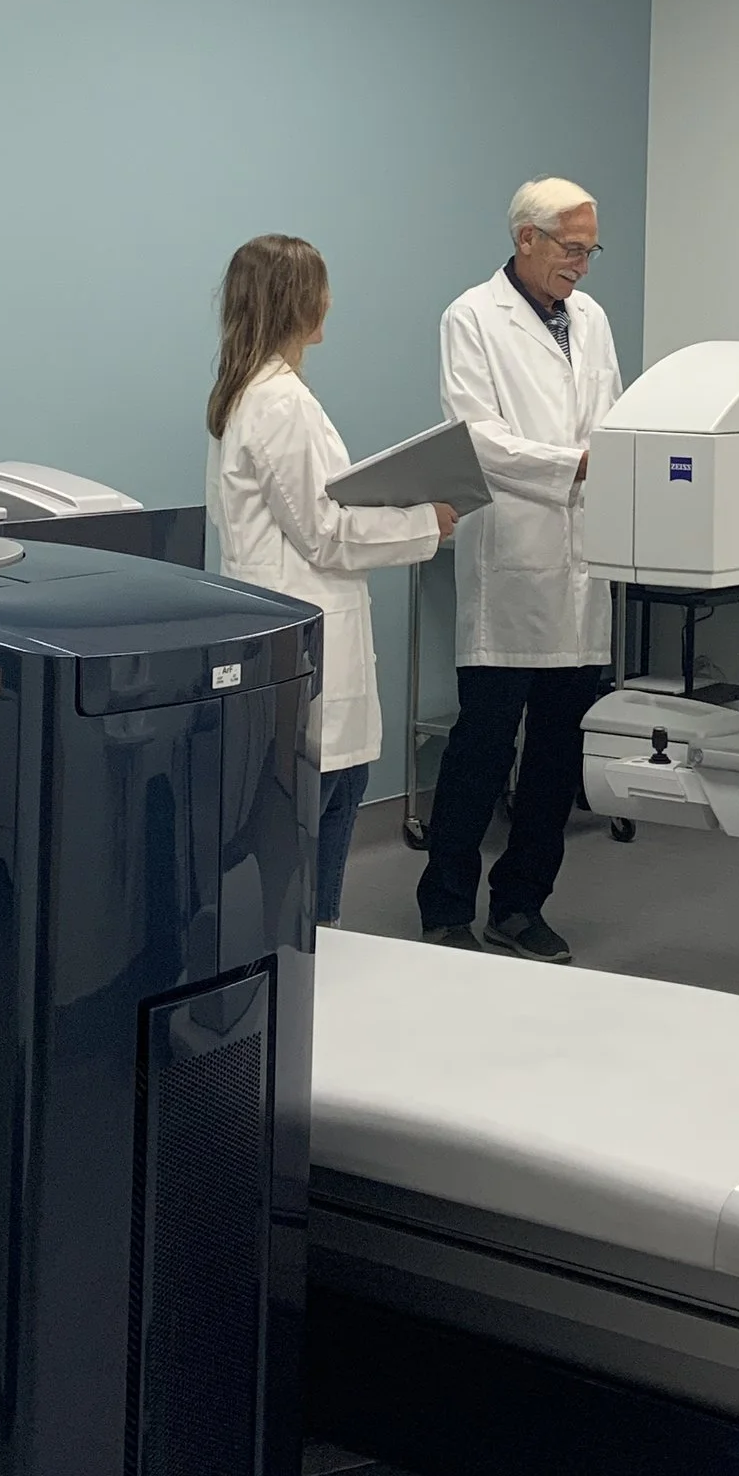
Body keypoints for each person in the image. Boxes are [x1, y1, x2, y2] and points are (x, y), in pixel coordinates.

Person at [207, 236, 457, 932]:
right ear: (300, 301)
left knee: (287, 841)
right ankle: (313, 992)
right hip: (308, 647)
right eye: (323, 287)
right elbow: (325, 531)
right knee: (315, 847)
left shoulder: (246, 395)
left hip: (286, 640)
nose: (331, 302)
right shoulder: (279, 402)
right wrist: (425, 524)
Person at [416, 178, 622, 963]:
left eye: (589, 249)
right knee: (482, 747)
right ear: (526, 238)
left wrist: (615, 465)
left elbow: (614, 415)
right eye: (572, 247)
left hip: (582, 561)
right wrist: (576, 465)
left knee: (557, 751)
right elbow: (479, 437)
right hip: (512, 555)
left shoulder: (591, 320)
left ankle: (521, 903)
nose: (582, 264)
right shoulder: (472, 316)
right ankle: (443, 908)